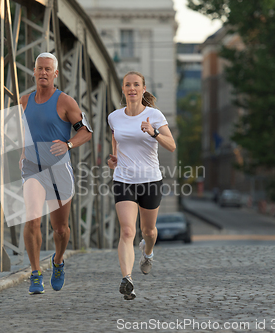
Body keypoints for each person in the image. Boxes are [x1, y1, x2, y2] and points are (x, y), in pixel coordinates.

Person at [19, 53, 92, 294]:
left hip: (58, 170)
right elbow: (21, 131)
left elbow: (86, 131)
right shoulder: (24, 101)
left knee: (60, 229)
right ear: (34, 71)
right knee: (32, 219)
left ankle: (58, 261)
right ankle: (35, 273)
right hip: (32, 169)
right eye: (39, 68)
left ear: (55, 73)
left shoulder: (65, 102)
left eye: (48, 69)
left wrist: (69, 144)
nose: (43, 72)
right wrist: (21, 152)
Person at [107, 71, 176, 300]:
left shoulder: (154, 115)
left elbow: (172, 146)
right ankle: (127, 280)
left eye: (136, 85)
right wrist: (114, 158)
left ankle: (148, 253)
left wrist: (153, 132)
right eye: (128, 85)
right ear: (124, 89)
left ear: (143, 89)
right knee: (127, 230)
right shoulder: (114, 117)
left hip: (150, 180)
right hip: (124, 179)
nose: (132, 88)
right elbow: (116, 137)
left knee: (149, 231)